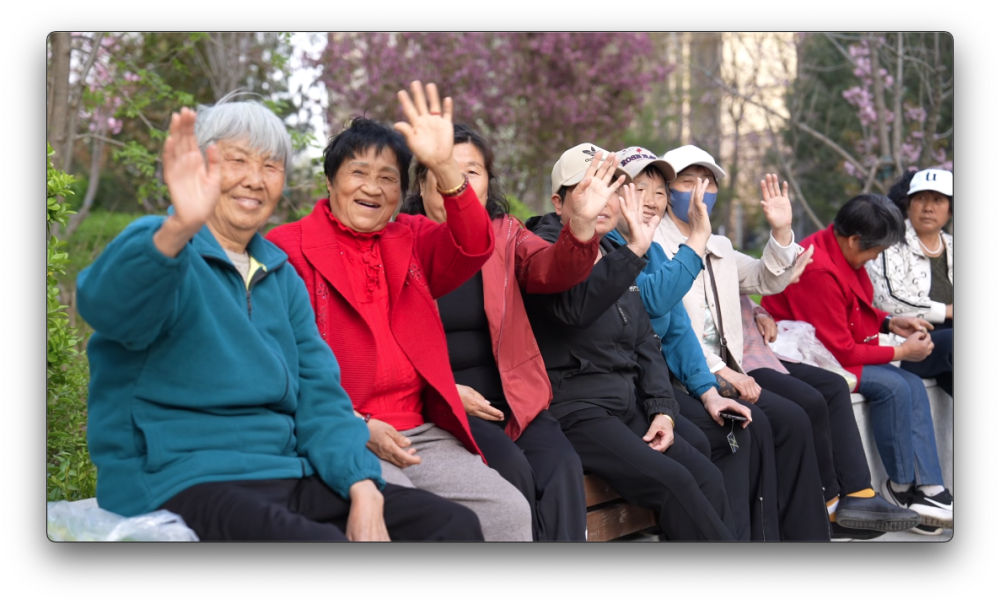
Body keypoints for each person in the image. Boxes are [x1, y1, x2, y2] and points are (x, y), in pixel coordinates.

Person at [76, 95, 483, 541]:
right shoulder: (161, 246)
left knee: (451, 524)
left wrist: (363, 486)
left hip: (283, 473)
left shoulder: (277, 273)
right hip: (178, 477)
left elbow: (319, 396)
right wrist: (179, 228)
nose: (254, 180)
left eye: (270, 166)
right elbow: (108, 308)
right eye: (237, 161)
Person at [267, 82, 532, 541]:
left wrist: (445, 166)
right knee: (415, 520)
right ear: (330, 180)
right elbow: (279, 364)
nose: (372, 188)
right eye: (358, 172)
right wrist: (357, 424)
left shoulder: (409, 237)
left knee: (508, 511)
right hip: (342, 429)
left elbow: (474, 243)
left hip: (419, 429)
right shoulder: (287, 248)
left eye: (388, 177)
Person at [397, 123, 603, 541]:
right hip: (443, 402)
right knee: (512, 472)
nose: (457, 180)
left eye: (471, 171)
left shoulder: (504, 233)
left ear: (487, 183)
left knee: (562, 469)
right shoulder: (399, 240)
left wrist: (581, 227)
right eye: (444, 167)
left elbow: (551, 269)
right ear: (422, 181)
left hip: (513, 397)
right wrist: (444, 389)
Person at [524, 142, 737, 541]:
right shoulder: (541, 249)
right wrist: (635, 250)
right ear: (558, 202)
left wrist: (662, 410)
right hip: (578, 409)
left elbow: (646, 341)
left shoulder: (611, 247)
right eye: (588, 190)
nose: (601, 201)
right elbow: (576, 308)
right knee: (676, 484)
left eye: (610, 189)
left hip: (625, 403)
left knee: (705, 474)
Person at [654, 144, 830, 540]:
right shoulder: (655, 245)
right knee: (758, 424)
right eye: (687, 182)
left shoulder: (719, 246)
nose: (700, 191)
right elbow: (671, 331)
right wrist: (722, 372)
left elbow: (767, 279)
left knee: (795, 420)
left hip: (729, 370)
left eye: (708, 182)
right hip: (687, 374)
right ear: (667, 190)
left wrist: (781, 231)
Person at [762, 194, 953, 535]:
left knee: (909, 383)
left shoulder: (839, 248)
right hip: (804, 356)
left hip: (826, 348)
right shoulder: (818, 268)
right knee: (894, 385)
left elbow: (850, 307)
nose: (875, 257)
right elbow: (843, 353)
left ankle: (928, 488)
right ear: (854, 239)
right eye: (875, 251)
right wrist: (901, 352)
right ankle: (901, 489)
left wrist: (889, 322)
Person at [742, 294, 920, 538]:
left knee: (834, 385)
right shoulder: (817, 275)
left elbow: (741, 295)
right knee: (811, 401)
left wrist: (760, 312)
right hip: (740, 362)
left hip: (765, 353)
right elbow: (842, 347)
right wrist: (901, 350)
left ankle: (858, 494)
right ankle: (830, 507)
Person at [868, 168, 953, 397]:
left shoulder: (951, 245)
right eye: (920, 198)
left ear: (950, 208)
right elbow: (888, 300)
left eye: (937, 200)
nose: (928, 207)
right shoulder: (889, 242)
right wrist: (946, 311)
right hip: (905, 343)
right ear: (907, 203)